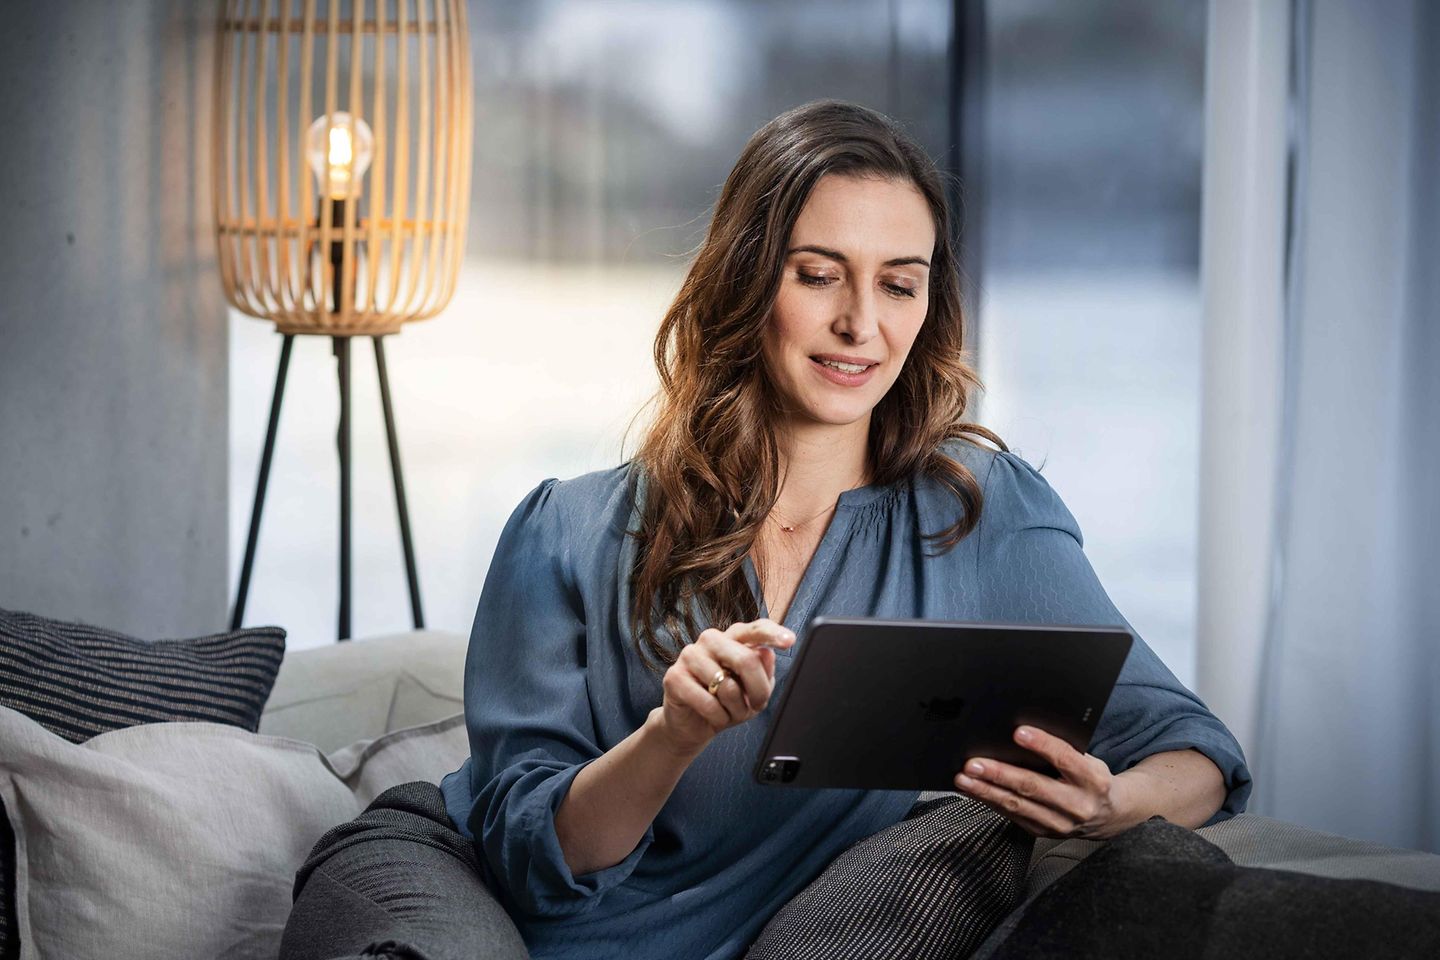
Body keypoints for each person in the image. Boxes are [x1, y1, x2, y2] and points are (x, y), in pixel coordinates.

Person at [282, 100, 1251, 960]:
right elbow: (535, 862)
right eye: (820, 275)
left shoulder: (979, 514)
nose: (860, 323)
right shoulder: (567, 527)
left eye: (899, 283)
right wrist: (674, 734)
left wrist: (1112, 804)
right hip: (455, 880)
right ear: (750, 283)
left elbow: (1195, 751)